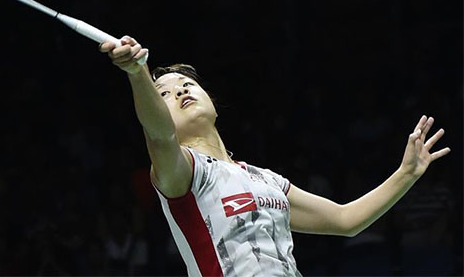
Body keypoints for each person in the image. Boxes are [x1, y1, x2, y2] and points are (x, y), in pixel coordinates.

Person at [99, 36, 451, 277]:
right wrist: (137, 74)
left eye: (186, 85)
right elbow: (159, 133)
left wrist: (407, 173)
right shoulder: (184, 175)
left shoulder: (265, 179)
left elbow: (346, 221)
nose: (180, 91)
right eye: (165, 94)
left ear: (214, 105)